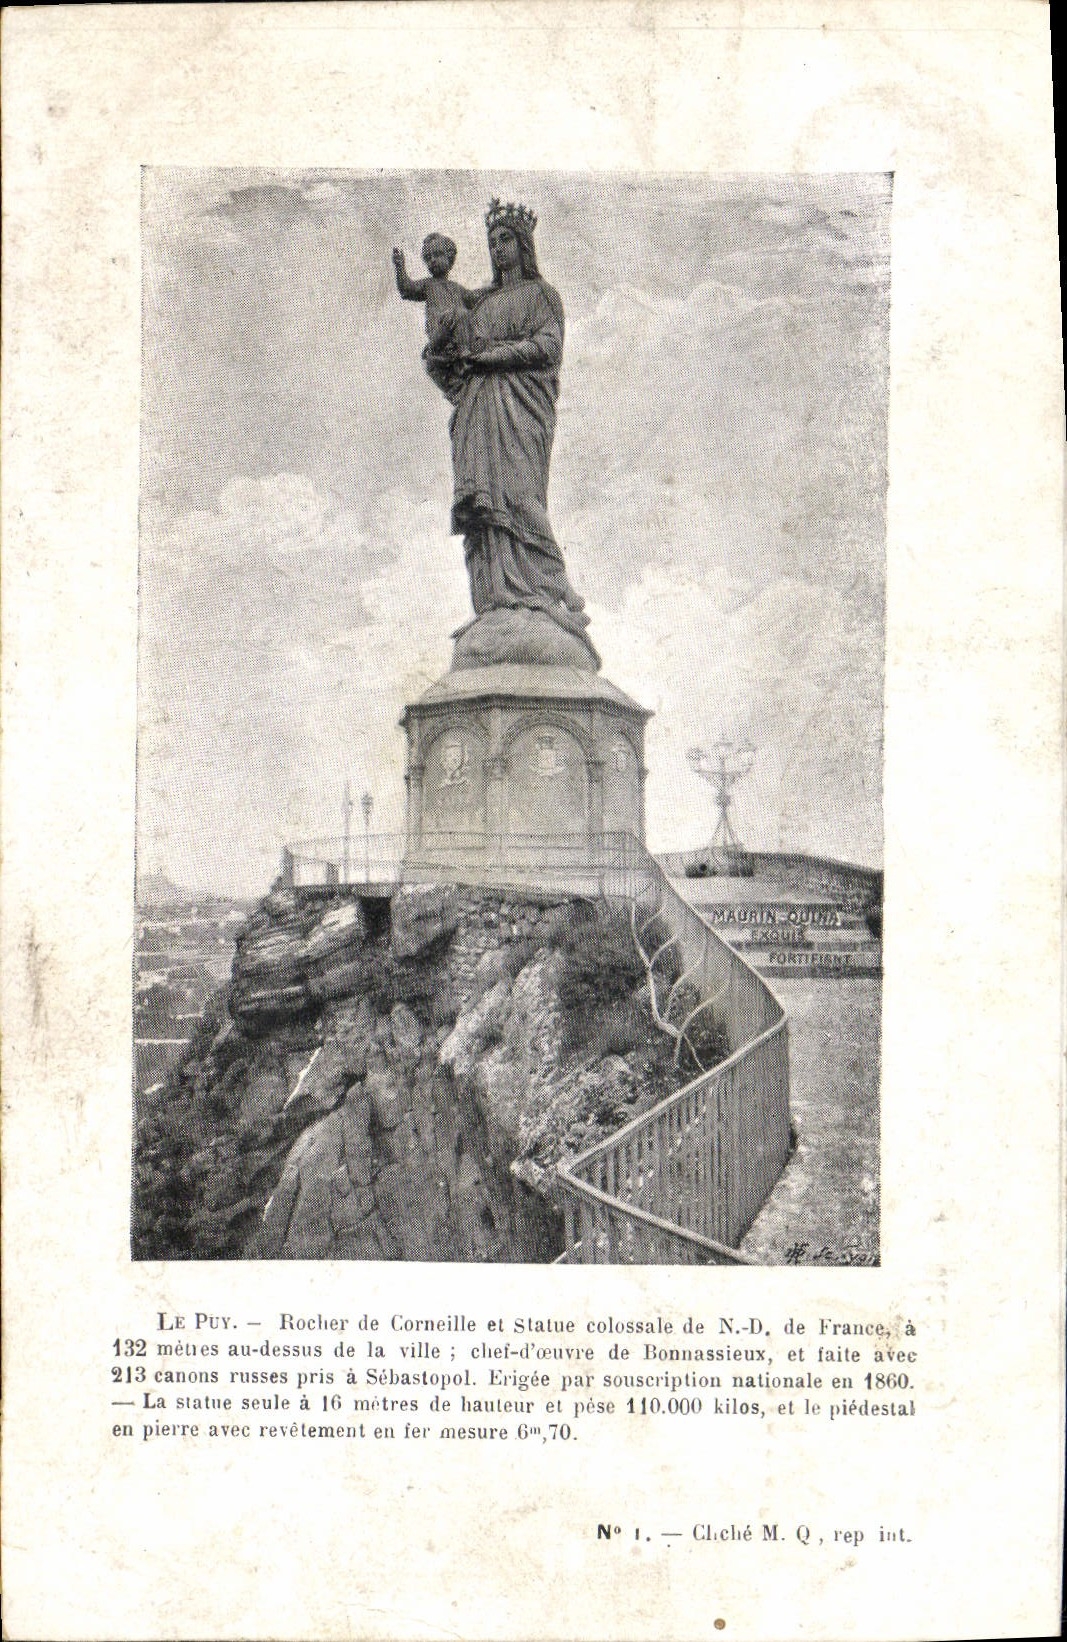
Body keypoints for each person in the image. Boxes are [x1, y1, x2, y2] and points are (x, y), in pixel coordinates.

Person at [444, 200, 592, 648]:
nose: (497, 248)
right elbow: (456, 359)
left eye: (505, 239)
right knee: (485, 508)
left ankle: (552, 590)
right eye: (492, 242)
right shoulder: (481, 303)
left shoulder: (542, 296)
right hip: (478, 411)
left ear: (524, 245)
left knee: (522, 498)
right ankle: (496, 600)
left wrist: (493, 356)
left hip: (521, 409)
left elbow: (548, 346)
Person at [391, 234, 483, 404]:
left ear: (449, 257)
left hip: (454, 339)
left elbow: (476, 298)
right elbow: (406, 289)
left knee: (465, 316)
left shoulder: (457, 289)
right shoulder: (428, 285)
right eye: (427, 258)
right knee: (459, 314)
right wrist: (400, 267)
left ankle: (465, 359)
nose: (432, 261)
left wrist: (493, 288)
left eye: (437, 255)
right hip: (440, 335)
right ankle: (466, 355)